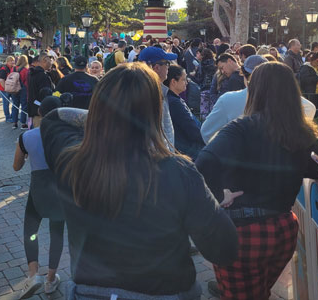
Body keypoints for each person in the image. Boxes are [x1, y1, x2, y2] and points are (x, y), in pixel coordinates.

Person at [40, 63, 238, 298]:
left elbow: (52, 118)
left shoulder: (70, 161)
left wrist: (105, 119)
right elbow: (224, 249)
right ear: (155, 111)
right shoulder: (179, 171)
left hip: (89, 293)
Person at [196, 62, 318, 299]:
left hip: (240, 232)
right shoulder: (303, 133)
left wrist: (219, 195)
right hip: (283, 231)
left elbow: (201, 165)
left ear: (255, 91)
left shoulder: (240, 128)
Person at [14, 96, 66, 298]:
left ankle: (33, 274)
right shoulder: (67, 136)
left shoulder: (27, 137)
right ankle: (50, 280)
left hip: (38, 190)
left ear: (40, 114)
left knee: (30, 229)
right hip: (61, 191)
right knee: (57, 233)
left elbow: (16, 166)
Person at [201, 55, 317, 143]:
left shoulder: (228, 100)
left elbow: (207, 133)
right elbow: (310, 108)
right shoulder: (288, 98)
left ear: (243, 76)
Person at [138, 46, 177, 148]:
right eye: (167, 63)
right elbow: (158, 135)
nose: (169, 67)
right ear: (156, 68)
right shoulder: (151, 94)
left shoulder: (151, 90)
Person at [164, 65, 205, 160]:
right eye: (183, 79)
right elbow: (192, 128)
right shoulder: (174, 103)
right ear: (173, 82)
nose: (186, 82)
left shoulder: (170, 99)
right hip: (188, 152)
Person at [27, 52, 55, 127]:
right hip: (41, 114)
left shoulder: (33, 73)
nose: (51, 62)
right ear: (44, 60)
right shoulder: (41, 75)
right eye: (50, 60)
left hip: (35, 112)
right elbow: (45, 95)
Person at [12, 54, 30, 129]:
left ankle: (14, 123)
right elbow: (27, 81)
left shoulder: (13, 68)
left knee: (15, 105)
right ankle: (23, 123)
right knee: (24, 106)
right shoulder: (26, 70)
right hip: (23, 89)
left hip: (14, 88)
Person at [0, 55, 17, 123]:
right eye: (11, 61)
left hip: (9, 88)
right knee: (6, 104)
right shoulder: (4, 69)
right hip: (4, 89)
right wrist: (6, 89)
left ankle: (12, 115)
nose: (13, 62)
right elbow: (1, 80)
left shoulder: (12, 68)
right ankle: (8, 117)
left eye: (13, 60)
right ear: (8, 61)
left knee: (15, 102)